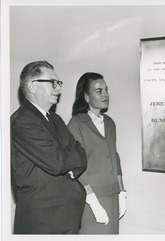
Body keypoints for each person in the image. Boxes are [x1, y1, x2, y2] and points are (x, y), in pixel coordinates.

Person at [11, 61, 87, 234]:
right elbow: (57, 163)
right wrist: (68, 161)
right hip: (43, 222)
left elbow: (81, 152)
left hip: (65, 217)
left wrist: (70, 163)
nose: (58, 88)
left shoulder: (56, 119)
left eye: (59, 83)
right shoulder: (23, 121)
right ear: (32, 86)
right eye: (52, 82)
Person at [67, 72, 126, 234]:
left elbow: (115, 159)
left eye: (106, 90)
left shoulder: (109, 123)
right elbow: (74, 165)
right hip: (90, 199)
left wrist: (122, 192)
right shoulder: (77, 124)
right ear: (86, 97)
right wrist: (92, 201)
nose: (106, 95)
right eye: (99, 91)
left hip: (112, 196)